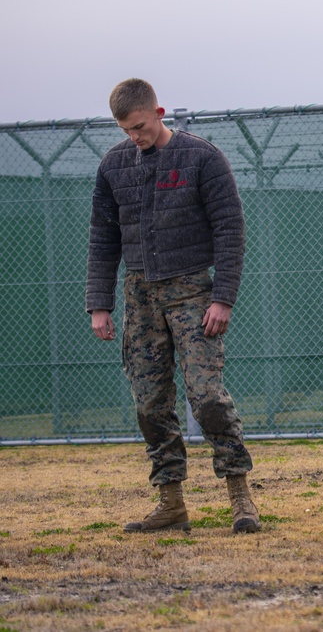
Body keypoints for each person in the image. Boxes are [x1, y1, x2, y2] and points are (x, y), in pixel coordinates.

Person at [86, 78, 261, 533]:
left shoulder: (202, 157)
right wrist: (99, 305)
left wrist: (222, 298)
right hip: (139, 297)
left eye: (140, 127)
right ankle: (171, 505)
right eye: (126, 130)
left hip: (193, 295)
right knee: (150, 404)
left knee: (206, 398)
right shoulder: (114, 165)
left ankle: (241, 498)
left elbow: (230, 230)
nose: (135, 137)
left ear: (159, 114)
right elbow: (103, 240)